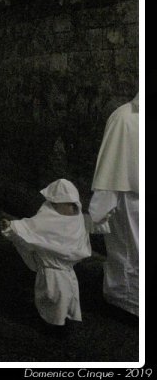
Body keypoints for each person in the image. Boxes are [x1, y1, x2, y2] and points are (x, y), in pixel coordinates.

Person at [0, 178, 92, 327]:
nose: (72, 208)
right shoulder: (45, 219)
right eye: (68, 204)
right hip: (51, 272)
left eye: (74, 204)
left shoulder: (77, 220)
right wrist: (10, 227)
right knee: (54, 298)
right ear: (56, 203)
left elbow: (82, 236)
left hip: (67, 273)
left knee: (67, 298)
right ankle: (53, 324)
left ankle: (61, 322)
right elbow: (27, 228)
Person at [88, 93, 139, 317]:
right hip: (129, 200)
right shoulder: (123, 118)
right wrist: (99, 211)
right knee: (130, 255)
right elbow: (111, 168)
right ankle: (125, 302)